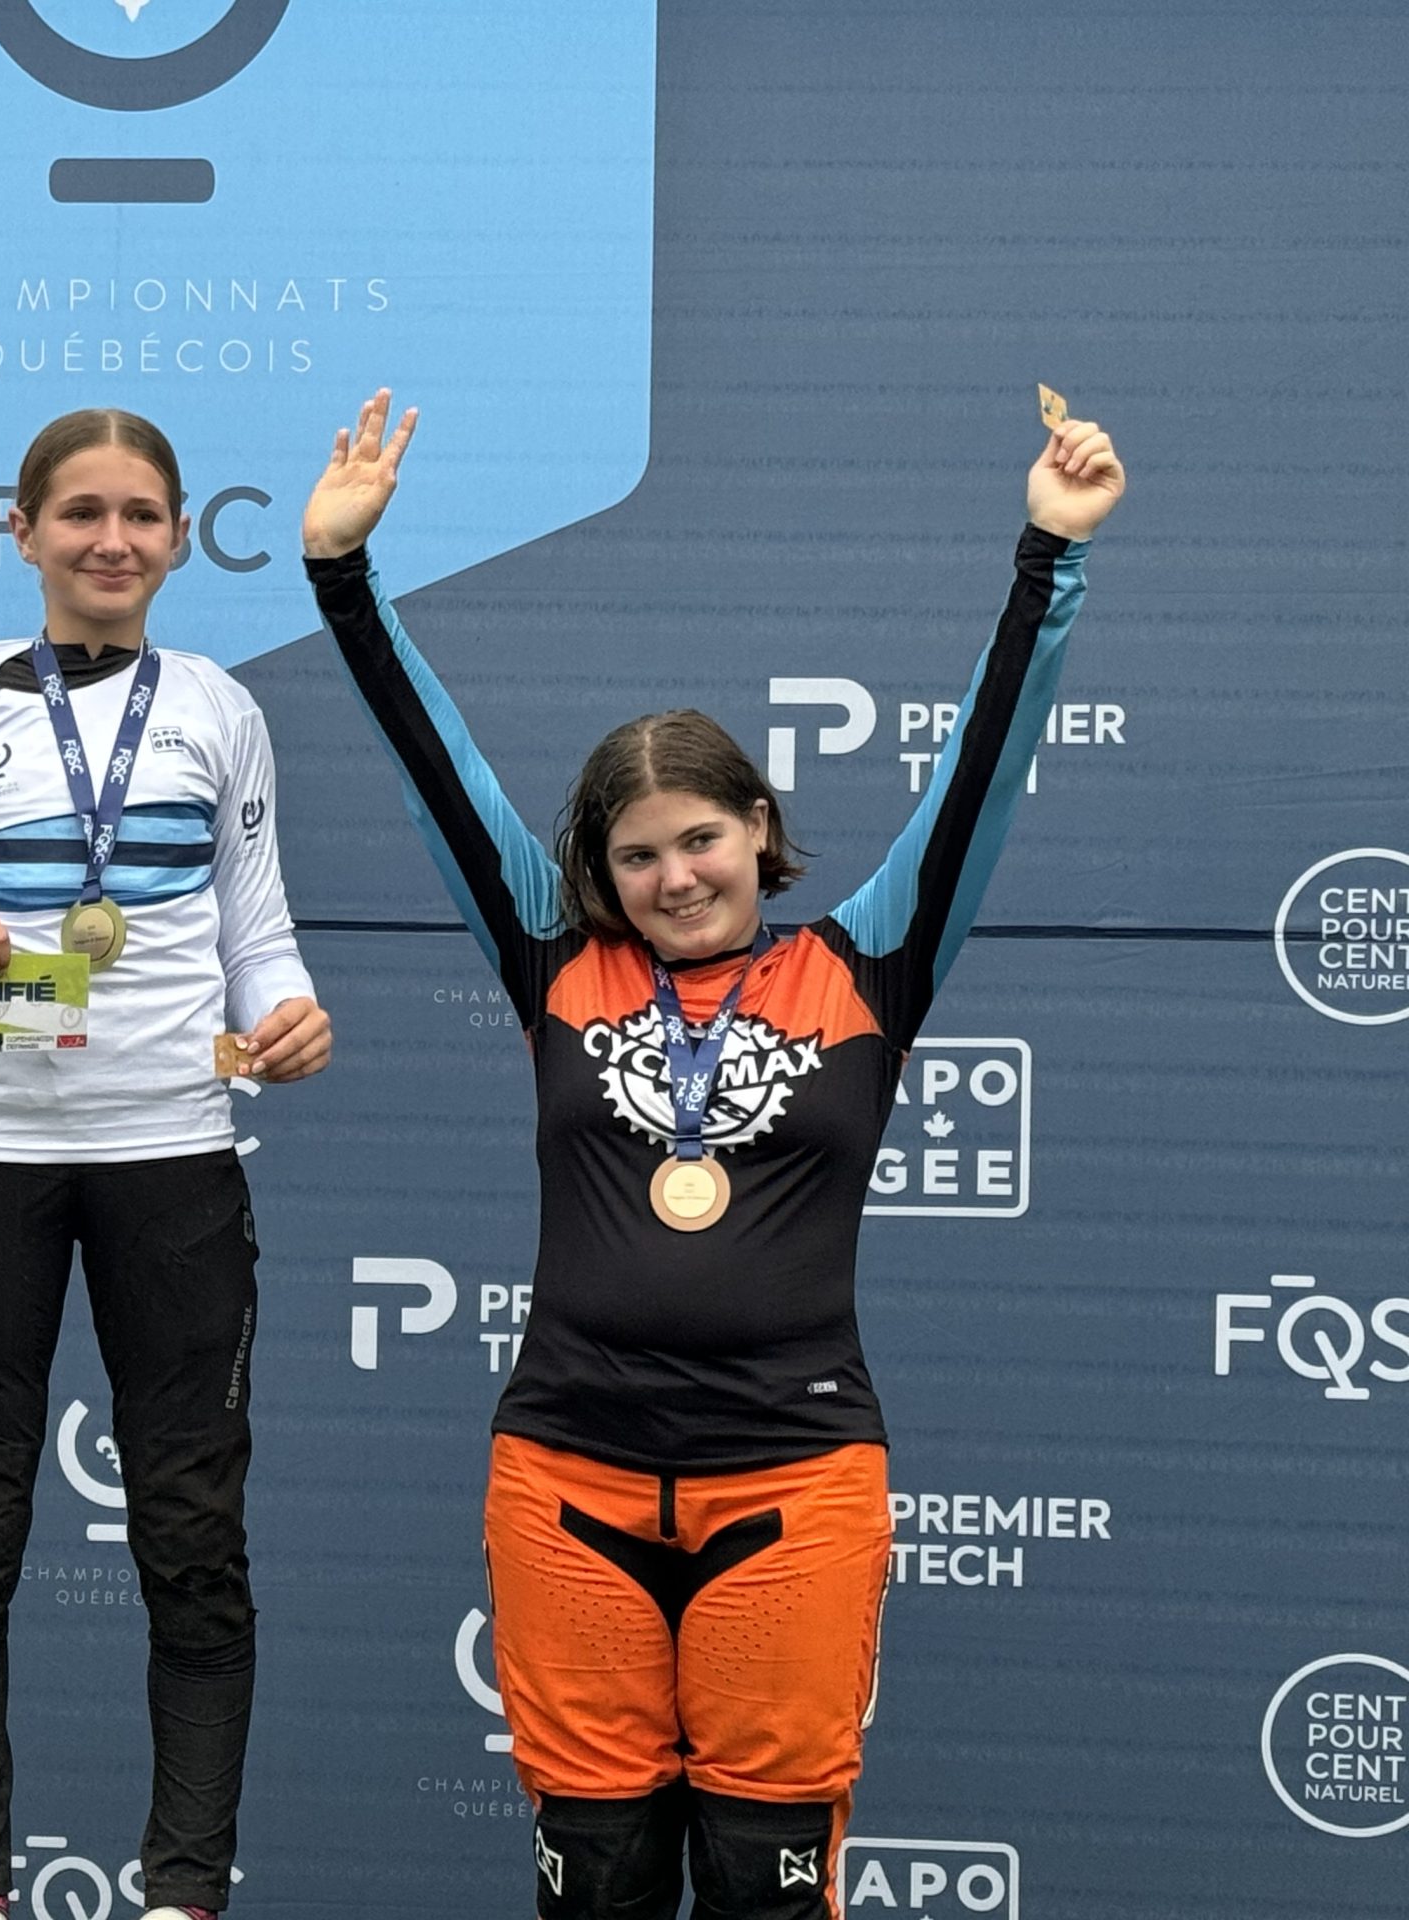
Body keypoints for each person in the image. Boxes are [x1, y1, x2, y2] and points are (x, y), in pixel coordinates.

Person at [300, 391, 1124, 1919]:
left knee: (763, 1885)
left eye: (701, 839)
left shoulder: (868, 964)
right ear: (596, 872)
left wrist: (1048, 556)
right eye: (636, 853)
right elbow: (436, 766)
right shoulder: (554, 961)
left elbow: (984, 770)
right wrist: (344, 581)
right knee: (596, 1882)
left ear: (759, 826)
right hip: (568, 1478)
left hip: (792, 1484)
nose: (674, 876)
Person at [0, 408, 330, 1920]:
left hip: (177, 1164)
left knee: (195, 1546)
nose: (114, 540)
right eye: (83, 512)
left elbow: (258, 930)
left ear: (180, 537)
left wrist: (286, 1018)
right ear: (21, 530)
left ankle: (182, 1899)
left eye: (144, 515)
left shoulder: (220, 707)